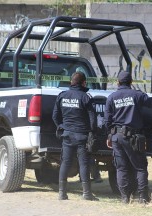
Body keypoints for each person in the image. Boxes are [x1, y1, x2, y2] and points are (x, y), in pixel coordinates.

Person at [104, 72, 152, 204]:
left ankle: (124, 198)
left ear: (118, 82)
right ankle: (143, 198)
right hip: (133, 137)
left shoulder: (111, 97)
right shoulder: (137, 95)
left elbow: (107, 121)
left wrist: (110, 135)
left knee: (121, 168)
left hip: (117, 137)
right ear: (131, 81)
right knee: (140, 167)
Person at [52, 71, 99, 201]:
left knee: (65, 162)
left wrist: (61, 126)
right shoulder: (85, 97)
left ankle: (62, 194)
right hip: (81, 136)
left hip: (67, 135)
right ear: (83, 82)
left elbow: (55, 116)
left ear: (71, 82)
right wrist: (93, 132)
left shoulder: (62, 96)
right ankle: (87, 194)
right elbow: (93, 119)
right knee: (83, 163)